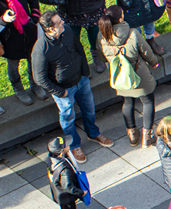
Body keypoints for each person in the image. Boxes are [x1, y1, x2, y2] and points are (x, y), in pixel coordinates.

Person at [32, 10, 114, 163]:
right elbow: (39, 78)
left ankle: (93, 133)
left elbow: (79, 49)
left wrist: (85, 73)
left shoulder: (67, 31)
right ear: (50, 29)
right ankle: (75, 145)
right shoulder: (41, 49)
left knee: (89, 109)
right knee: (68, 119)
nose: (63, 23)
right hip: (63, 90)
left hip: (81, 80)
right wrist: (59, 92)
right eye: (59, 23)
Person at [97, 6, 160, 146]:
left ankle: (132, 135)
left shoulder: (102, 36)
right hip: (139, 74)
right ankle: (147, 137)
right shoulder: (133, 33)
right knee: (148, 102)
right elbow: (146, 51)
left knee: (128, 102)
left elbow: (101, 56)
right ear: (120, 18)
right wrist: (154, 62)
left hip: (120, 76)